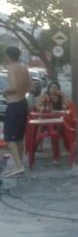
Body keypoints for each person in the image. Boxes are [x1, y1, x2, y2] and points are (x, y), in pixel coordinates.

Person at [1, 46, 32, 178]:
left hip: (14, 104)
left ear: (8, 56)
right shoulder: (24, 68)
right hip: (23, 103)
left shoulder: (11, 68)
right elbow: (32, 86)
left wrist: (4, 91)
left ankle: (19, 166)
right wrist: (22, 90)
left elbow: (13, 87)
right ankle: (20, 166)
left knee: (8, 137)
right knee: (19, 136)